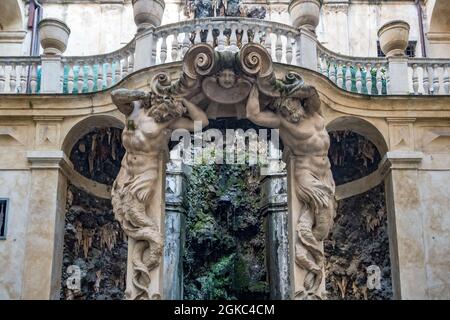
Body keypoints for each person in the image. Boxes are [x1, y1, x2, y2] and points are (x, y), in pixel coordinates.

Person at [111, 88, 208, 299]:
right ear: (157, 101)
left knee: (140, 221)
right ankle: (141, 275)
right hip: (126, 173)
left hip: (145, 178)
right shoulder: (134, 111)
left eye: (171, 111)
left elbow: (202, 123)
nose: (166, 113)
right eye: (166, 107)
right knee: (126, 214)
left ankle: (143, 280)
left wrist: (185, 100)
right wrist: (140, 94)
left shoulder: (168, 125)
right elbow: (116, 96)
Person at [246, 84, 336, 299]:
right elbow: (253, 113)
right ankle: (312, 274)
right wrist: (255, 86)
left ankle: (312, 270)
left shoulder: (315, 113)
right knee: (321, 221)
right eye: (284, 109)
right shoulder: (282, 123)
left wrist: (288, 87)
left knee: (323, 222)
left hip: (325, 175)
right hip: (306, 176)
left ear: (297, 101)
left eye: (291, 106)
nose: (289, 112)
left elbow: (313, 91)